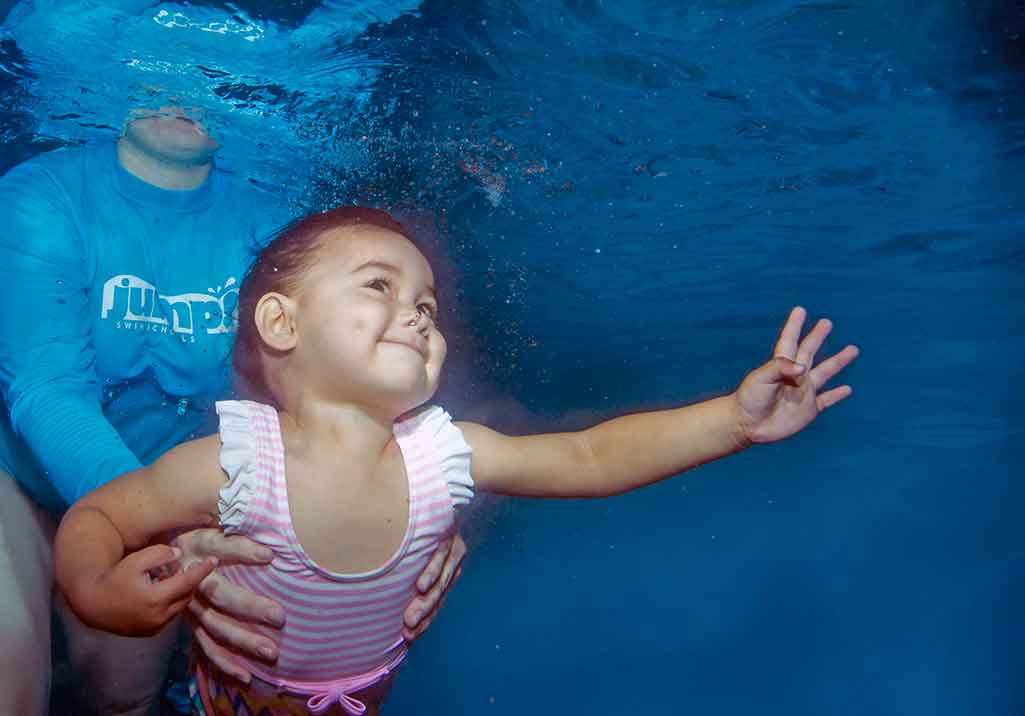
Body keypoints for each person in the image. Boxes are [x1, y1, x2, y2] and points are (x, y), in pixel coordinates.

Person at [54, 206, 860, 715]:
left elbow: (587, 456)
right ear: (282, 322)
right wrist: (95, 593)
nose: (413, 313)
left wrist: (731, 421)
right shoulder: (234, 462)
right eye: (379, 285)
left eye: (426, 305)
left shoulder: (444, 452)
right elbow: (100, 517)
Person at [0, 113, 464, 716]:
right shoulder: (42, 194)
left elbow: (333, 390)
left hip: (180, 497)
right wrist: (159, 524)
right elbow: (46, 388)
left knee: (122, 695)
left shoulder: (272, 223)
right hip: (23, 480)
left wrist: (422, 506)